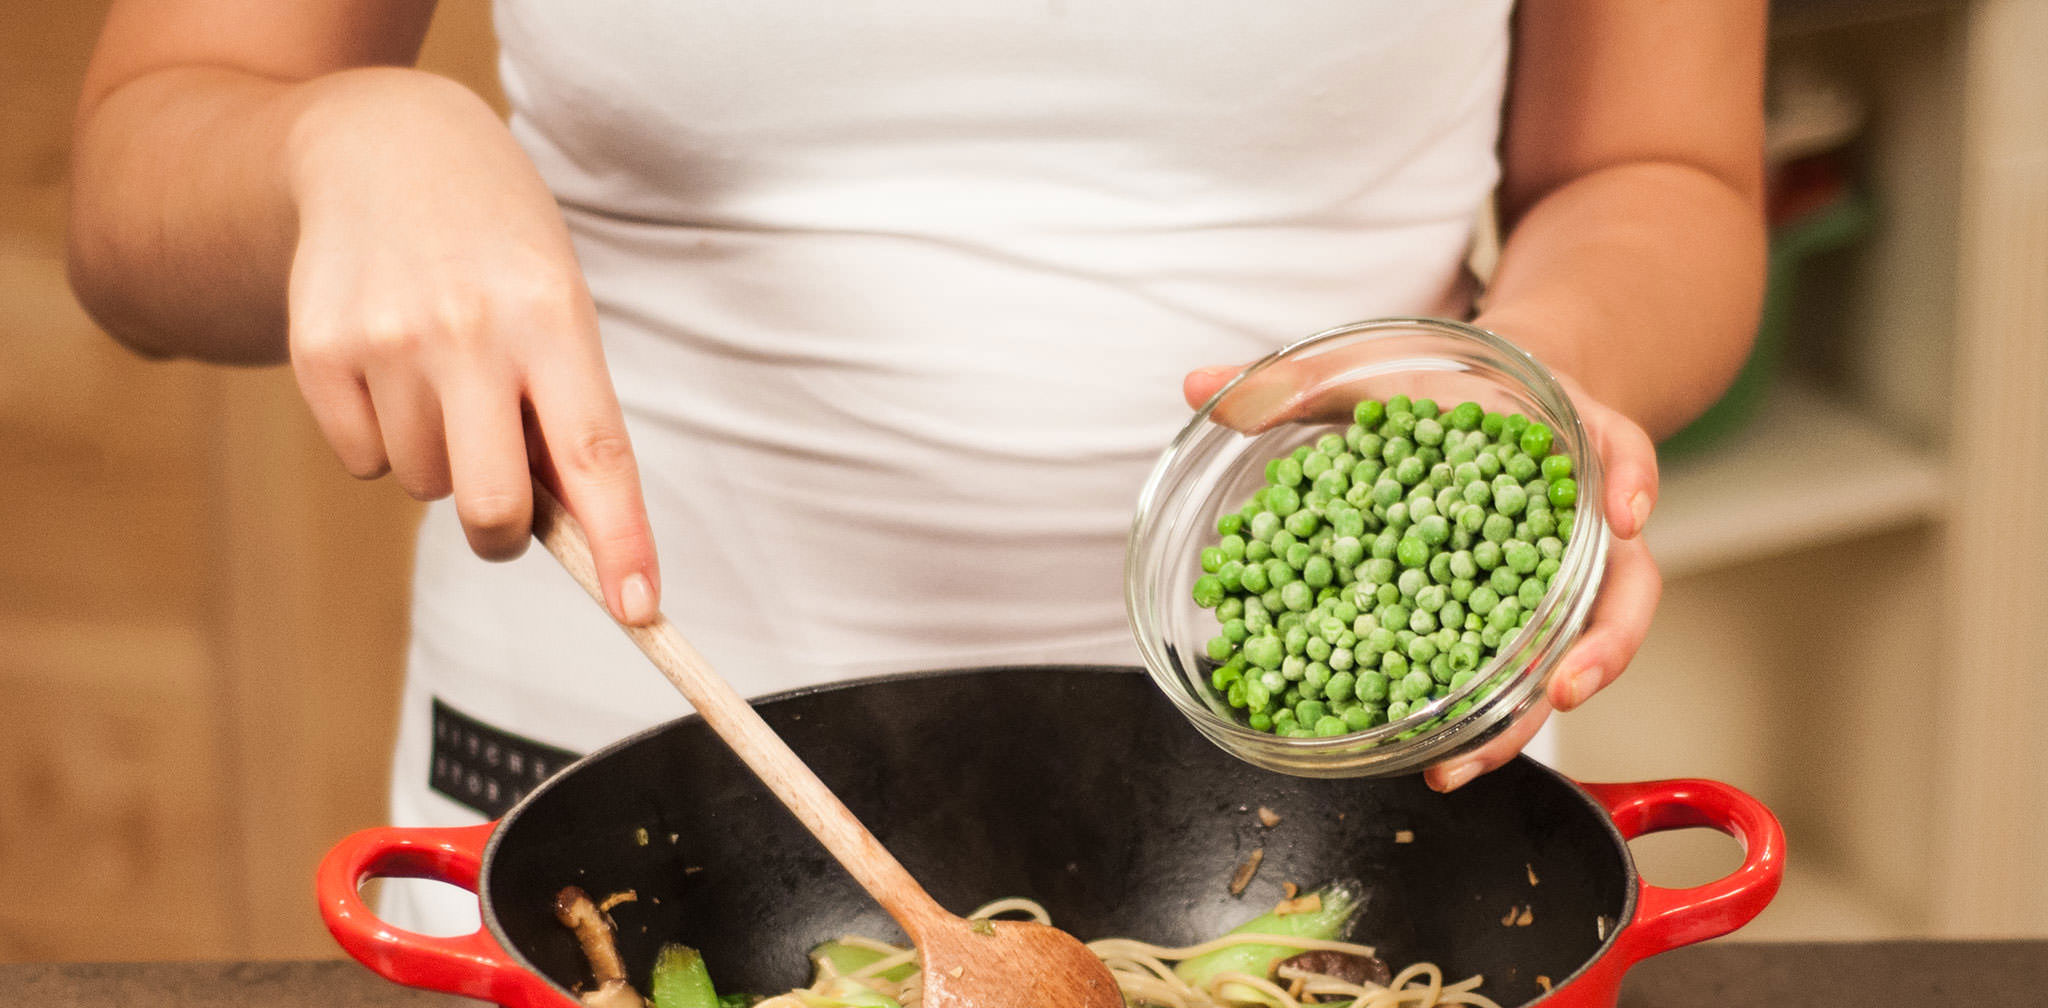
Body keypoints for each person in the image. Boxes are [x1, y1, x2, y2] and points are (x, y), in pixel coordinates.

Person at [68, 2, 1764, 841]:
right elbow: (137, 183)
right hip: (622, 789)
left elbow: (1657, 173)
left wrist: (1533, 368)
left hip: (1350, 792)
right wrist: (342, 139)